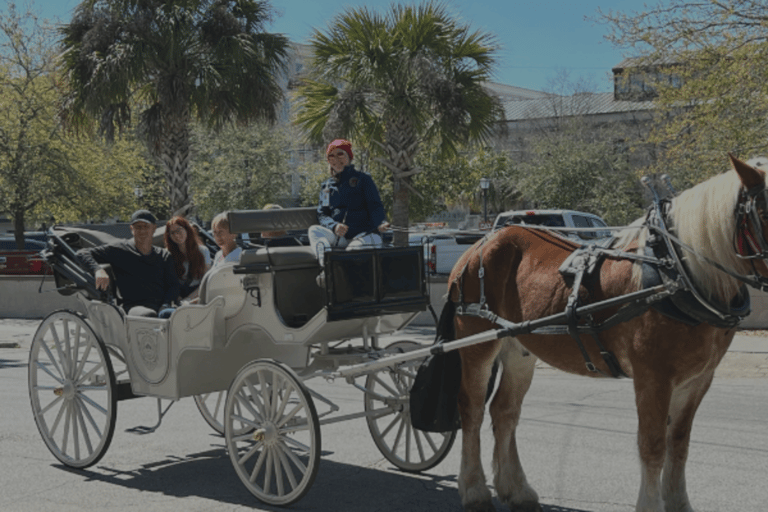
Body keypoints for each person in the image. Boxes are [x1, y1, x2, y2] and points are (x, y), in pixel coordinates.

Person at [78, 209, 180, 317]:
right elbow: (82, 253)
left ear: (154, 228)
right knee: (148, 314)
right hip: (134, 308)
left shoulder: (164, 256)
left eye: (146, 226)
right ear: (132, 229)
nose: (142, 231)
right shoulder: (120, 249)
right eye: (138, 227)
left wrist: (166, 304)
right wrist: (97, 270)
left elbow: (173, 286)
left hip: (162, 307)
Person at [308, 138, 390, 264]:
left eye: (340, 154)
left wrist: (380, 222)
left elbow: (375, 206)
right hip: (340, 237)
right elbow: (322, 214)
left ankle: (340, 273)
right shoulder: (326, 187)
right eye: (331, 156)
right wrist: (334, 226)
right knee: (314, 230)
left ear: (349, 157)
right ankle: (327, 267)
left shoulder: (364, 179)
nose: (336, 159)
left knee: (354, 249)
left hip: (365, 235)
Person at [163, 216, 211, 300]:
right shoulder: (167, 254)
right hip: (177, 296)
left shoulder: (202, 251)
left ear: (187, 230)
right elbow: (167, 282)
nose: (176, 235)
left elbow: (207, 282)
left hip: (198, 296)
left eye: (179, 230)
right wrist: (177, 298)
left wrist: (188, 299)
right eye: (172, 233)